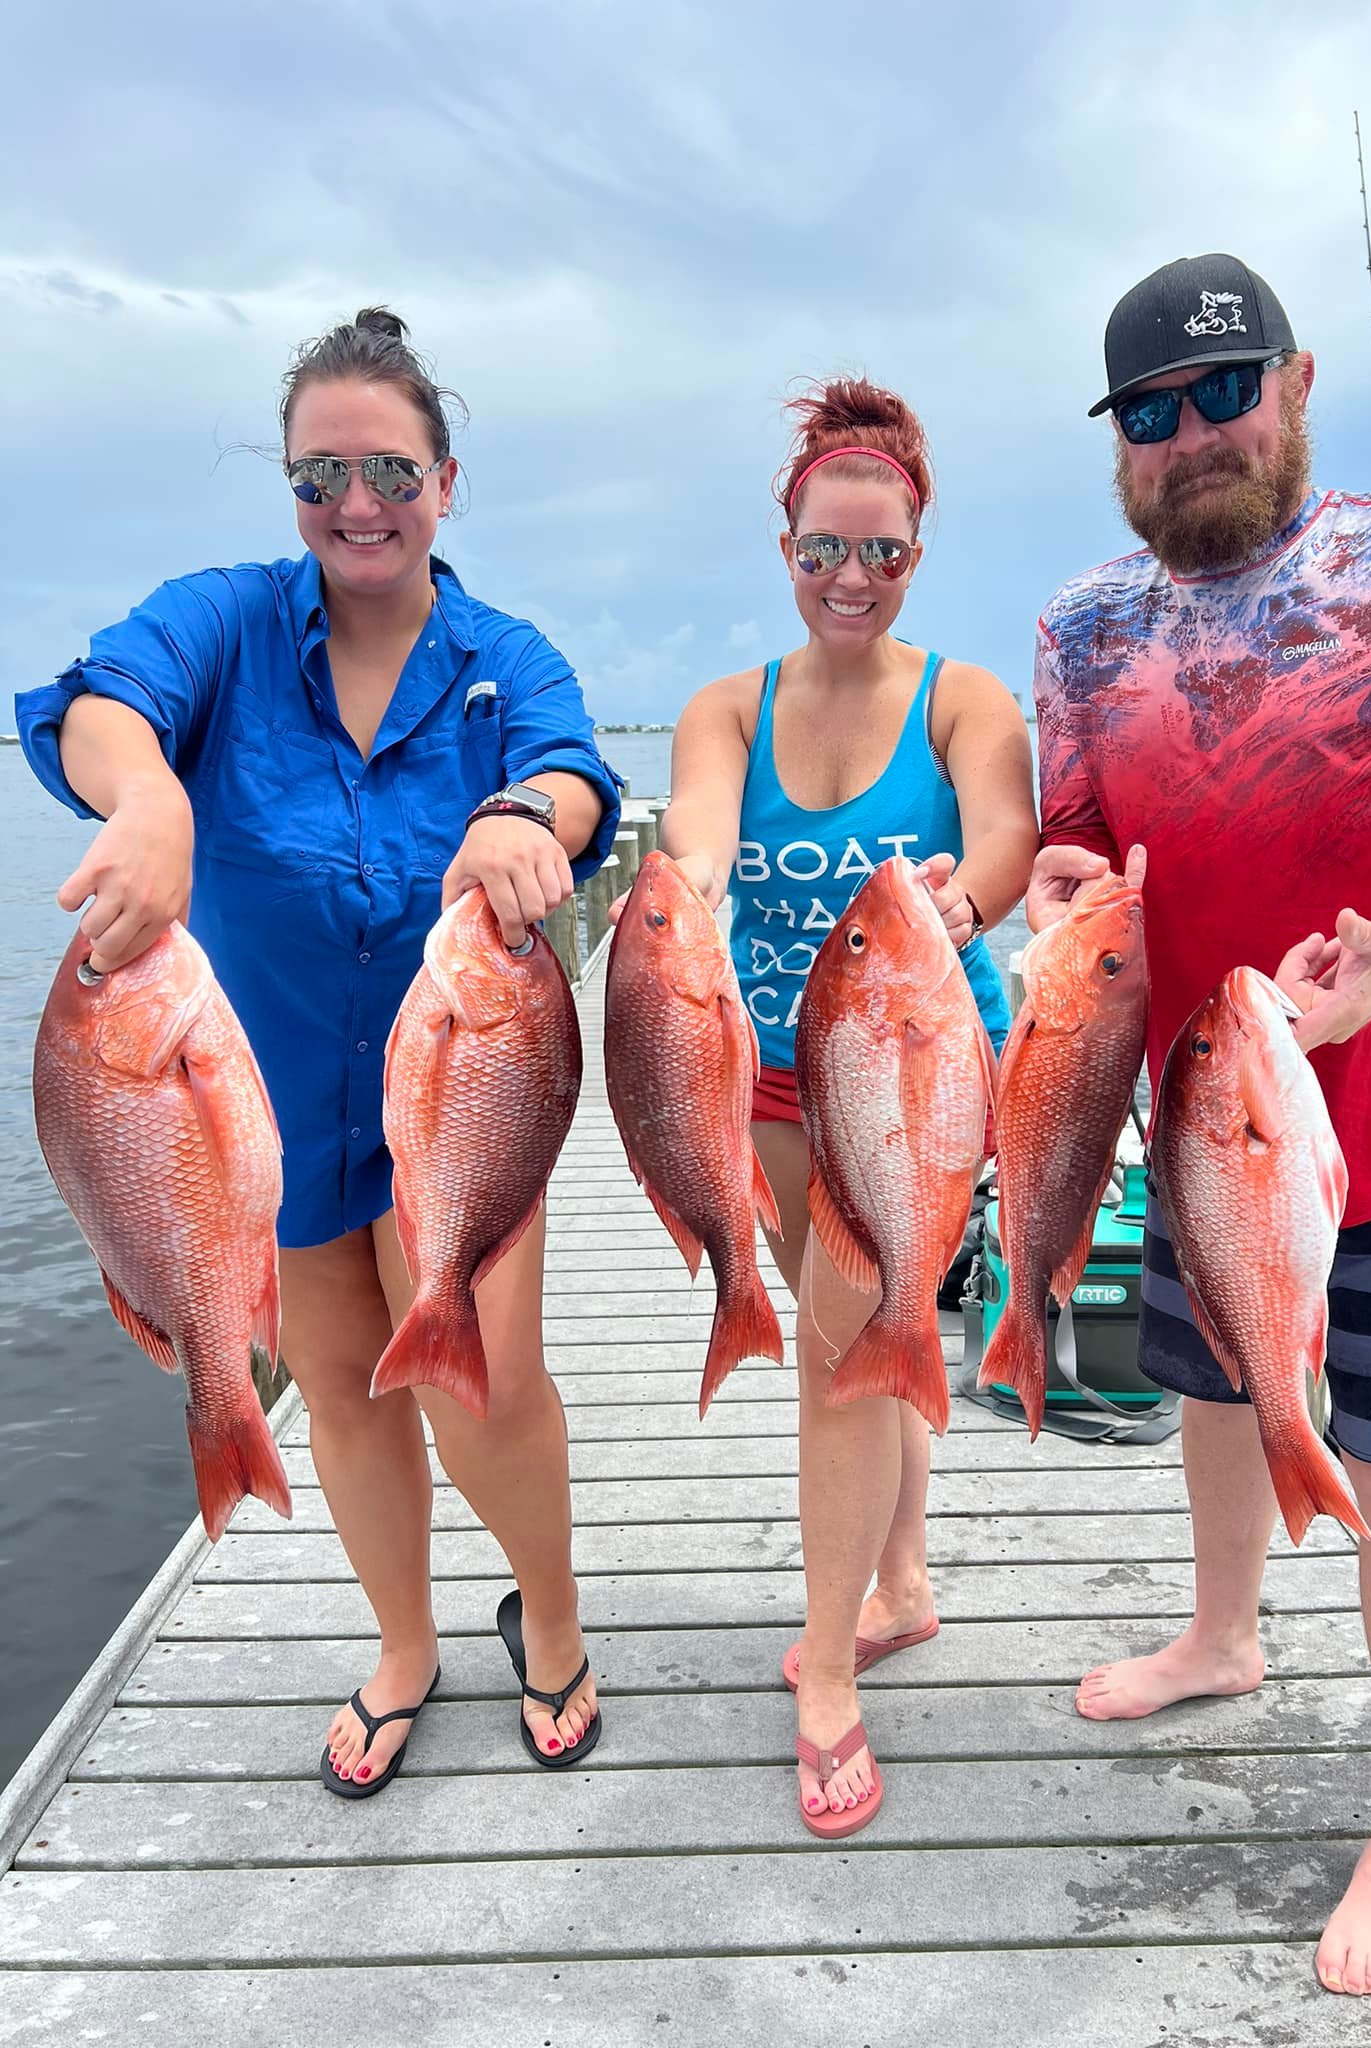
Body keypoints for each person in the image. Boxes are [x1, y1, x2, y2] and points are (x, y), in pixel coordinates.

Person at [16, 308, 622, 1794]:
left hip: (461, 1095)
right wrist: (146, 793)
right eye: (320, 474)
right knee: (342, 1391)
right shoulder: (223, 622)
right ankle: (404, 1644)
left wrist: (525, 823)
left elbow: (575, 775)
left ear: (447, 481)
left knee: (482, 1384)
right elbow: (98, 705)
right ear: (290, 486)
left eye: (393, 473)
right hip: (259, 1112)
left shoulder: (501, 658)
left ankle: (550, 1617)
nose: (358, 504)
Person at [1029, 253, 1371, 1995]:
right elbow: (1079, 832)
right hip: (1198, 1105)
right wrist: (1066, 883)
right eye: (1150, 417)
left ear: (1298, 383)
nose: (1190, 438)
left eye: (1222, 393)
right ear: (1120, 446)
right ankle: (1228, 1632)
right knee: (1220, 1384)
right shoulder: (1084, 626)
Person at [649, 377, 1037, 1834]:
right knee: (874, 1339)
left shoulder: (963, 698)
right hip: (768, 1072)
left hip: (922, 1073)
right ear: (787, 546)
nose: (851, 580)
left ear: (917, 552)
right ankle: (906, 1578)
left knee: (839, 1351)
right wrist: (684, 886)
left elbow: (1007, 828)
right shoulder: (728, 705)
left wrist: (972, 891)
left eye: (880, 553)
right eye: (823, 551)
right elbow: (694, 826)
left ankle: (829, 1673)